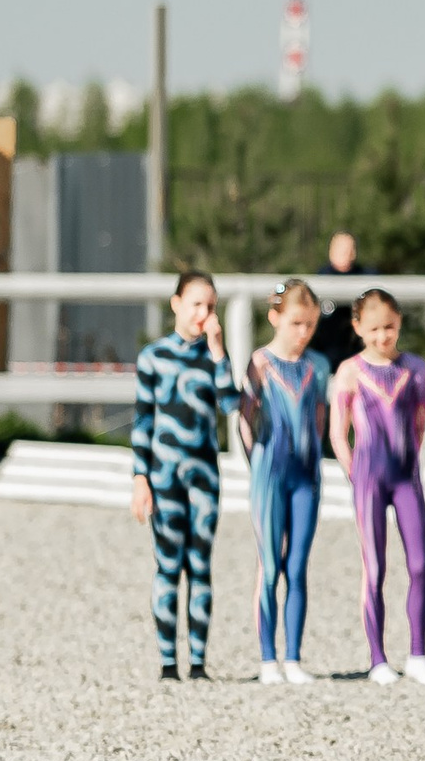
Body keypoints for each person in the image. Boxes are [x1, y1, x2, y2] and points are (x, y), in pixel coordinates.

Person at [130, 270, 241, 681]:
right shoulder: (153, 357)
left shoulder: (213, 358)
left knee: (200, 566)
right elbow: (142, 422)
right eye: (196, 304)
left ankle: (197, 663)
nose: (203, 313)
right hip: (164, 476)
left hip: (204, 478)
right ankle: (166, 662)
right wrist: (140, 477)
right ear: (176, 304)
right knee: (167, 566)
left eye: (210, 306)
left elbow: (232, 405)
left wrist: (218, 351)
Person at [330, 288, 425, 685]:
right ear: (358, 327)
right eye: (373, 329)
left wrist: (410, 460)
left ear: (400, 323)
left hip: (406, 476)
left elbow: (420, 424)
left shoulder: (416, 369)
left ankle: (418, 654)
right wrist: (354, 472)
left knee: (420, 564)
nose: (382, 336)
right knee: (374, 568)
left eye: (389, 327)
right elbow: (338, 433)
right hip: (368, 478)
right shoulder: (350, 371)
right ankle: (377, 659)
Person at [240, 279, 331, 685]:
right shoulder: (259, 362)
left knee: (297, 566)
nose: (303, 332)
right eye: (296, 323)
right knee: (270, 565)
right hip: (269, 475)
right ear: (275, 317)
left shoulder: (319, 366)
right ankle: (267, 659)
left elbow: (321, 422)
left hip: (306, 476)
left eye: (310, 324)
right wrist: (256, 465)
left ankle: (293, 657)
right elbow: (244, 420)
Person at [308, 231, 373, 374]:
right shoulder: (321, 278)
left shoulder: (366, 277)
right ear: (331, 251)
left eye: (350, 249)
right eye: (341, 249)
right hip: (327, 358)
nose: (347, 253)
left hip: (359, 357)